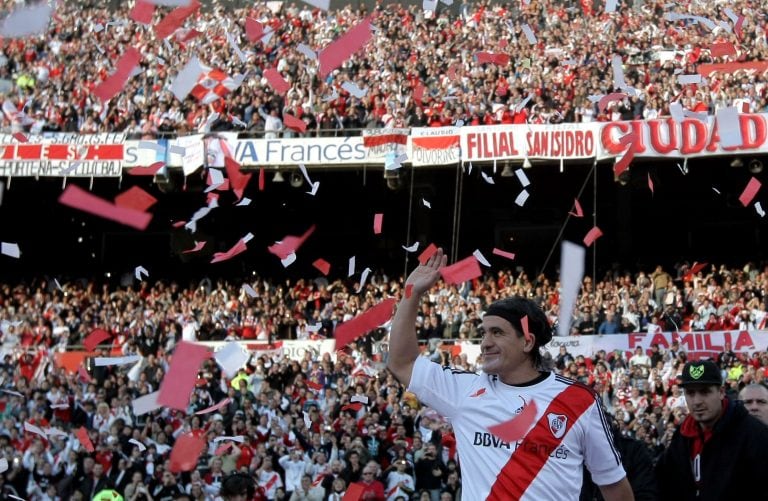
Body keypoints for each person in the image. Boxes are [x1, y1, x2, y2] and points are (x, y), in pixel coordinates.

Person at [387, 248, 633, 500]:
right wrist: (411, 293)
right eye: (484, 333)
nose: (484, 343)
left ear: (527, 342)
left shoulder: (580, 400)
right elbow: (401, 363)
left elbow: (613, 485)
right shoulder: (464, 391)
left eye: (497, 333)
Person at [655, 360, 768, 500]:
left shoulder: (755, 434)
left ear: (721, 392)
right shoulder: (683, 434)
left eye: (705, 392)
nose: (697, 401)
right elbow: (662, 482)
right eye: (690, 393)